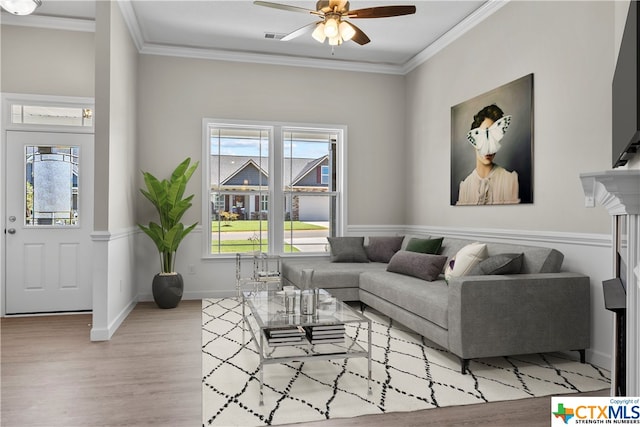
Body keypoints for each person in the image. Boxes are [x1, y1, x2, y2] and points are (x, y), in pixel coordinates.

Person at [456, 104, 520, 205]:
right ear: (474, 142)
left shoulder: (510, 180)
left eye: (492, 139)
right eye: (484, 140)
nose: (488, 148)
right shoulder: (465, 187)